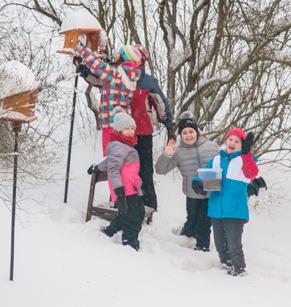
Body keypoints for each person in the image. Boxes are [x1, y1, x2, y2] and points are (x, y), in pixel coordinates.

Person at [78, 44, 174, 211]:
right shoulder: (124, 75)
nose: (119, 59)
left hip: (141, 131)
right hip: (122, 131)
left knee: (143, 170)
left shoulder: (146, 81)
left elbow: (160, 102)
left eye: (123, 57)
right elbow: (101, 82)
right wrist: (85, 72)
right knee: (122, 167)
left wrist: (168, 124)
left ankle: (147, 205)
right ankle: (124, 202)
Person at [192, 128, 258, 276]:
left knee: (234, 243)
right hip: (216, 209)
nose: (232, 143)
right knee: (220, 243)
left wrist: (247, 154)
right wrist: (197, 183)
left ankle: (239, 270)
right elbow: (204, 173)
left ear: (242, 145)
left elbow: (252, 173)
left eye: (237, 141)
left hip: (235, 210)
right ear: (225, 140)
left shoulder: (244, 159)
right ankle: (226, 265)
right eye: (230, 139)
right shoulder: (216, 159)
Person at [155, 111, 219, 251]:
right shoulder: (178, 151)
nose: (188, 135)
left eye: (191, 131)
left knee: (204, 224)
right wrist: (167, 154)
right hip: (192, 194)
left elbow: (225, 164)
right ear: (180, 135)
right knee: (192, 220)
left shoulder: (212, 146)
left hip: (211, 193)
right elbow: (160, 170)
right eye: (185, 133)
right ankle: (186, 235)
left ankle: (202, 250)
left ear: (196, 131)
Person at [87, 107, 145, 251]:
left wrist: (97, 168)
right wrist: (119, 192)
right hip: (125, 191)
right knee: (134, 219)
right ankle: (129, 243)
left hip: (131, 188)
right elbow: (113, 169)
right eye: (127, 128)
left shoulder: (123, 144)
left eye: (133, 128)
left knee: (131, 214)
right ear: (119, 130)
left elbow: (108, 163)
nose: (131, 131)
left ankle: (110, 231)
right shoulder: (119, 146)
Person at [72, 45, 143, 156]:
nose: (116, 55)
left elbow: (97, 66)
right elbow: (101, 84)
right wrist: (84, 71)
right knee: (121, 161)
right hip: (124, 126)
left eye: (119, 53)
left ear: (123, 57)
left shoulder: (116, 73)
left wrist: (81, 49)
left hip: (111, 124)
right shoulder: (129, 75)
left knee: (112, 162)